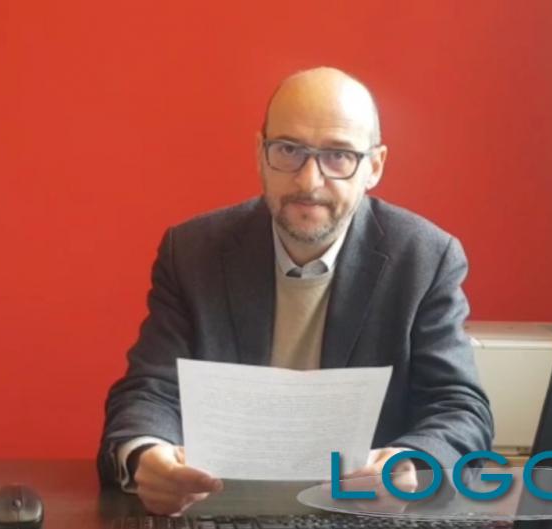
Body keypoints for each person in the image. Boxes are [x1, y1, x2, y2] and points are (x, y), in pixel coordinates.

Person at [98, 67, 493, 515]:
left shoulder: (424, 258)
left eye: (338, 156)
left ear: (374, 166)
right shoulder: (192, 252)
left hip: (362, 515)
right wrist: (146, 454)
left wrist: (408, 467)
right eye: (289, 150)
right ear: (260, 154)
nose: (309, 181)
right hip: (219, 510)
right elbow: (149, 390)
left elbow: (459, 408)